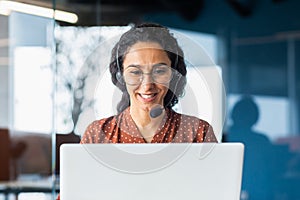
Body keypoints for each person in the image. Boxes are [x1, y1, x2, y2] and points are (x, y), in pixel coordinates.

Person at [56, 22, 217, 200]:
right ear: (121, 75)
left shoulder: (198, 133)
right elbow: (74, 195)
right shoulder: (98, 134)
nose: (147, 85)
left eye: (160, 71)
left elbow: (219, 192)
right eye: (135, 72)